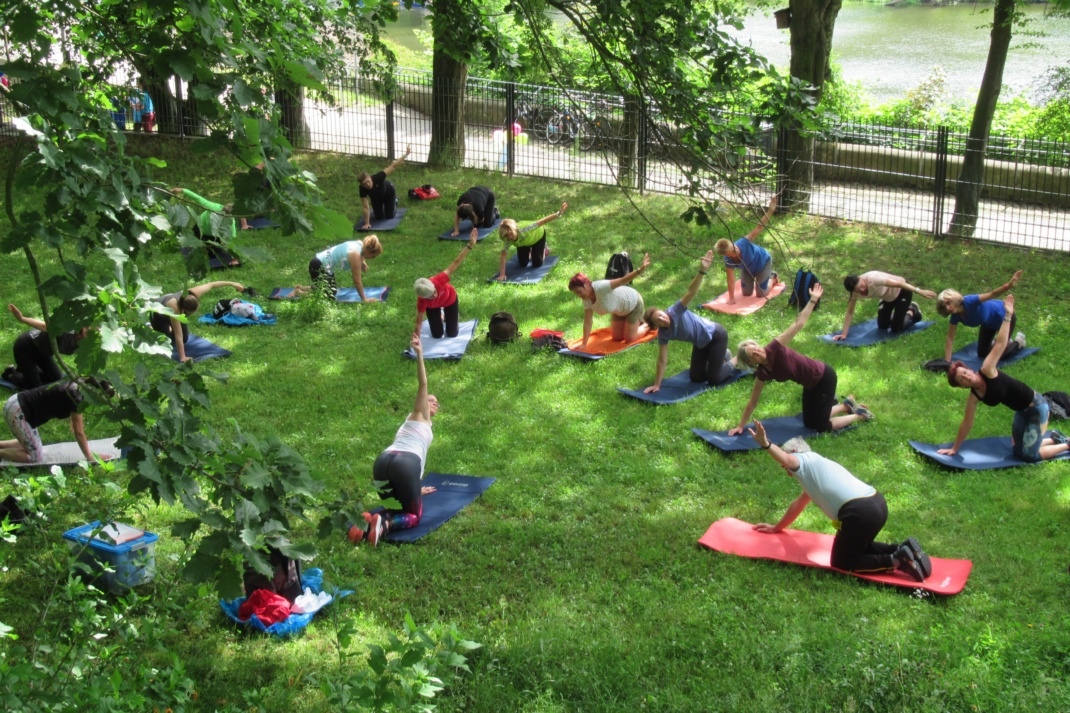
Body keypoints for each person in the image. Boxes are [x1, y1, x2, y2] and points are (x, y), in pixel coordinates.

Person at [747, 421, 932, 582]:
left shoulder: (803, 460)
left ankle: (896, 560)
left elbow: (787, 458)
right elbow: (798, 505)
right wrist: (776, 527)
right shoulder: (817, 472)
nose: (785, 469)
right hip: (877, 503)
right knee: (857, 547)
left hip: (859, 512)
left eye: (784, 465)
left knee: (842, 561)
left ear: (795, 451)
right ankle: (902, 549)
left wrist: (765, 443)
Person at [730, 283, 872, 436]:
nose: (758, 352)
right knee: (809, 423)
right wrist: (741, 425)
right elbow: (753, 402)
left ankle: (861, 414)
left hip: (823, 378)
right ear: (752, 363)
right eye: (754, 355)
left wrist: (812, 300)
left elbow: (798, 324)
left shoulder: (774, 347)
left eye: (756, 348)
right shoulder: (763, 372)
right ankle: (846, 406)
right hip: (810, 385)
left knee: (821, 426)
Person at [941, 294, 1069, 462]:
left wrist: (1008, 315)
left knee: (1030, 456)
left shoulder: (987, 369)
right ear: (963, 387)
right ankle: (1054, 438)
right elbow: (967, 423)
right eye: (961, 380)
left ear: (971, 371)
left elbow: (1000, 344)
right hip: (1022, 412)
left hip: (1038, 408)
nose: (966, 378)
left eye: (965, 373)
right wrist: (954, 448)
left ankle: (1067, 444)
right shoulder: (974, 395)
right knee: (1017, 451)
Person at [348, 333, 439, 546]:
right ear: (422, 404)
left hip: (384, 462)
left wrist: (416, 489)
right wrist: (419, 354)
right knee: (413, 516)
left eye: (436, 403)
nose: (434, 403)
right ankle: (385, 526)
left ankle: (365, 524)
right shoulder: (419, 414)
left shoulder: (415, 422)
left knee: (395, 507)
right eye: (430, 400)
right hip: (404, 463)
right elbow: (422, 384)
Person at [641, 250, 735, 392]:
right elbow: (662, 360)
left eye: (661, 314)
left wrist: (702, 270)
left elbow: (691, 292)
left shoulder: (675, 311)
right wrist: (657, 385)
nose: (662, 318)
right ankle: (722, 357)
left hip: (716, 335)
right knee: (697, 378)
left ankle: (737, 359)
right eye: (658, 321)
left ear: (663, 311)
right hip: (701, 343)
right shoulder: (663, 334)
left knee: (714, 379)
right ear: (656, 326)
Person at [0, 378, 115, 464]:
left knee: (32, 443)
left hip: (16, 402)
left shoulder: (78, 383)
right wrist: (89, 456)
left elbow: (65, 400)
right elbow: (79, 432)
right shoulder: (76, 397)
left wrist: (73, 420)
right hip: (18, 412)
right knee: (35, 456)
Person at [937, 269, 1025, 362]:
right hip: (988, 324)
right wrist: (947, 362)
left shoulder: (970, 301)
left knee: (997, 356)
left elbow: (992, 294)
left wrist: (1009, 285)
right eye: (944, 306)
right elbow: (950, 338)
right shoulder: (955, 315)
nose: (948, 307)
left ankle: (1018, 342)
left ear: (953, 298)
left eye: (948, 302)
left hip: (1005, 316)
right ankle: (1001, 342)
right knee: (982, 354)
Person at [568, 253, 651, 350]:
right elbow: (587, 322)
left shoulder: (601, 287)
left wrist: (639, 270)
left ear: (586, 284)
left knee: (629, 339)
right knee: (617, 338)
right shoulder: (586, 299)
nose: (579, 296)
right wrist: (584, 344)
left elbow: (622, 280)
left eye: (579, 292)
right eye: (576, 294)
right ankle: (634, 323)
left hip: (633, 303)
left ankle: (648, 322)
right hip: (619, 311)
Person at [151, 281, 247, 363]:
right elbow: (178, 334)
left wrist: (233, 284)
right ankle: (150, 326)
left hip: (175, 310)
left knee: (185, 339)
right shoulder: (174, 307)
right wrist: (182, 357)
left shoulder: (193, 293)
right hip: (158, 313)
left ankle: (168, 327)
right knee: (164, 341)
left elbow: (212, 284)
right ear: (184, 310)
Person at [833, 271, 936, 341]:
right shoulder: (855, 291)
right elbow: (850, 311)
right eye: (858, 290)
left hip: (902, 291)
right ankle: (898, 314)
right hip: (887, 297)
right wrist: (844, 334)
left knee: (896, 329)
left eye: (862, 286)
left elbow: (899, 284)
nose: (862, 290)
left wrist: (919, 291)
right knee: (883, 325)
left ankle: (912, 310)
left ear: (860, 278)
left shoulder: (873, 279)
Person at [7, 304, 90, 389]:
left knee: (55, 378)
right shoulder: (66, 331)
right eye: (89, 331)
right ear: (82, 330)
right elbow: (44, 326)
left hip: (43, 353)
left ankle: (27, 369)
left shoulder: (86, 343)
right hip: (25, 348)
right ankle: (12, 374)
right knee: (36, 387)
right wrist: (22, 318)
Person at [713, 195, 778, 304]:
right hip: (748, 269)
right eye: (732, 253)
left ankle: (773, 277)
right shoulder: (728, 259)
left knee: (760, 294)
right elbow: (730, 278)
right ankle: (755, 280)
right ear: (728, 256)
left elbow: (759, 227)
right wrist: (731, 297)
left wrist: (770, 210)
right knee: (746, 293)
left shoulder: (744, 242)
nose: (736, 251)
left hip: (763, 263)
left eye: (734, 248)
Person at [415, 231, 478, 338]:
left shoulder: (439, 280)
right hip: (433, 307)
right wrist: (416, 336)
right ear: (425, 297)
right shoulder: (422, 300)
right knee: (437, 335)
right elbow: (419, 319)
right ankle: (442, 315)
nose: (434, 295)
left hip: (450, 300)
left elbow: (456, 262)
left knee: (452, 334)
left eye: (434, 292)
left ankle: (450, 315)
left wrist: (470, 245)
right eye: (431, 296)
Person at [170, 186, 247, 265]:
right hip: (200, 230)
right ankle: (191, 246)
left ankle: (205, 248)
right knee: (199, 254)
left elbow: (231, 240)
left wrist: (234, 259)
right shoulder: (213, 207)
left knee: (216, 254)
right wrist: (182, 190)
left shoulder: (231, 223)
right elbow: (198, 198)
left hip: (214, 236)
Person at [495, 202, 567, 281]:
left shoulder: (525, 228)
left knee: (537, 264)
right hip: (523, 244)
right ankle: (530, 251)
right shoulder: (507, 240)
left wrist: (558, 213)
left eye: (511, 234)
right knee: (522, 263)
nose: (510, 237)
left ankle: (544, 248)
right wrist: (502, 274)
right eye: (507, 236)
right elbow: (503, 256)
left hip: (537, 238)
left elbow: (543, 221)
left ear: (514, 230)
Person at [309, 237, 383, 301]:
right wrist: (364, 299)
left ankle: (302, 288)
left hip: (324, 266)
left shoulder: (360, 244)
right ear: (369, 251)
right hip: (318, 266)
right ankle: (300, 293)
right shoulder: (355, 256)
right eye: (373, 256)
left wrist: (362, 261)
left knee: (332, 291)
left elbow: (362, 252)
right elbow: (357, 281)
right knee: (328, 296)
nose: (372, 259)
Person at [358, 144, 411, 229]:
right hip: (376, 198)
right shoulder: (362, 189)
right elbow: (365, 206)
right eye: (364, 184)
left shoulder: (378, 177)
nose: (368, 185)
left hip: (388, 193)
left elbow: (393, 166)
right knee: (378, 217)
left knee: (389, 216)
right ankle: (382, 207)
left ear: (370, 178)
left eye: (368, 181)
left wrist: (406, 154)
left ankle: (395, 200)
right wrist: (367, 223)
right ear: (362, 185)